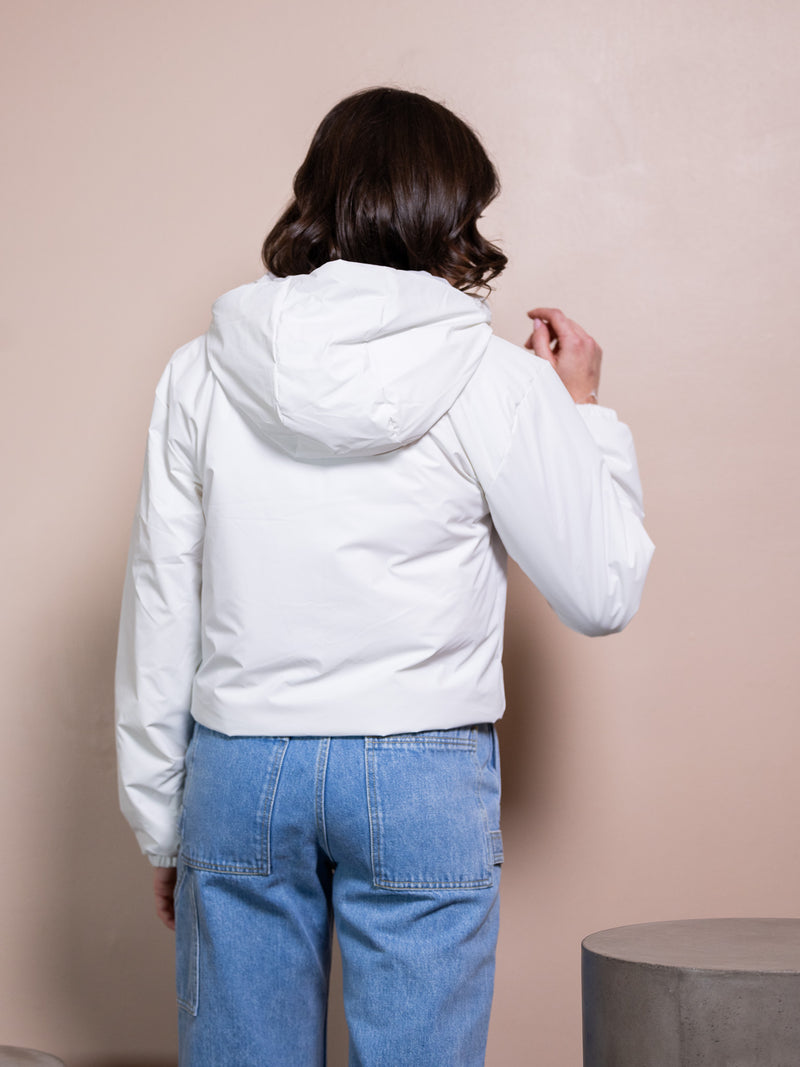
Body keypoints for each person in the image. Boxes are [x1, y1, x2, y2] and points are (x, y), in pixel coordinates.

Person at [114, 86, 654, 1066]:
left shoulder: (200, 369)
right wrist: (580, 413)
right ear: (449, 214)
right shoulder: (497, 378)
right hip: (419, 766)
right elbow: (602, 591)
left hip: (241, 763)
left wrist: (164, 824)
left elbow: (162, 597)